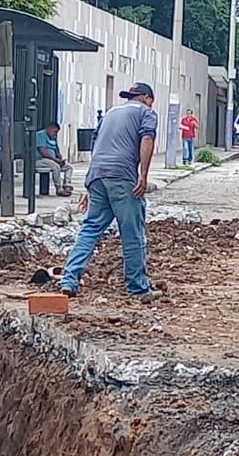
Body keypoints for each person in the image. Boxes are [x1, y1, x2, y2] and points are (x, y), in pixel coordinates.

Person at [59, 81, 158, 301]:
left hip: (97, 175)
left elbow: (97, 146)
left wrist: (90, 185)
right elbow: (148, 139)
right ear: (148, 98)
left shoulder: (111, 113)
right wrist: (143, 175)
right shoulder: (147, 113)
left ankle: (69, 280)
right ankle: (138, 287)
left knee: (90, 228)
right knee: (132, 232)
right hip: (122, 176)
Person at [34, 121, 74, 197]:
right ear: (50, 128)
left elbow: (57, 151)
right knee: (55, 166)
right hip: (40, 160)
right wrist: (55, 160)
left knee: (69, 167)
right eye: (55, 131)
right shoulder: (40, 135)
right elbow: (43, 151)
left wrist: (60, 159)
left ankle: (67, 185)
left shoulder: (53, 138)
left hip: (52, 160)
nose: (55, 134)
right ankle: (58, 189)